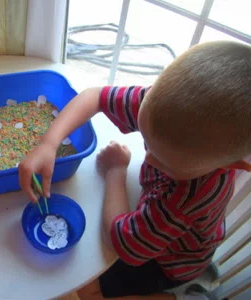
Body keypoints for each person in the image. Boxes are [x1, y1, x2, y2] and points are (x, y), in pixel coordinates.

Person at [18, 41, 251, 298]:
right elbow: (94, 97)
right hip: (155, 220)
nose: (149, 160)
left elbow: (121, 242)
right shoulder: (163, 110)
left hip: (169, 261)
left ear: (232, 165)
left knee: (87, 291)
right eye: (147, 143)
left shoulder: (186, 199)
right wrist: (49, 143)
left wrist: (116, 171)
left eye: (166, 163)